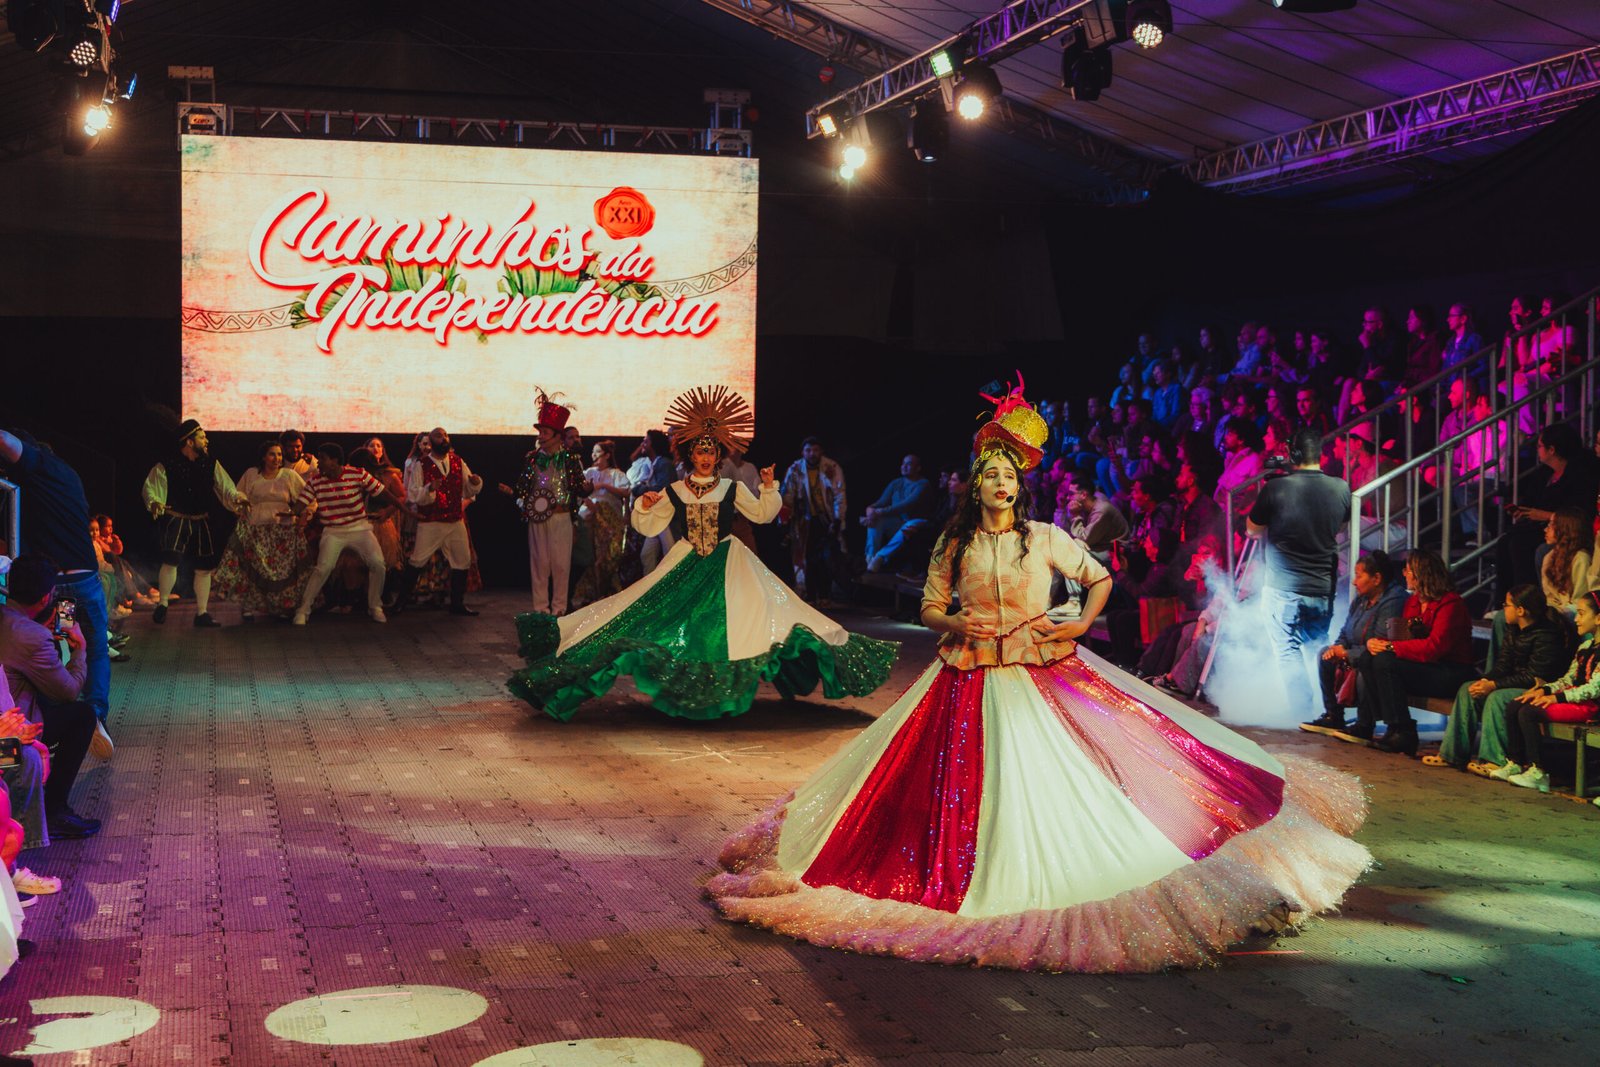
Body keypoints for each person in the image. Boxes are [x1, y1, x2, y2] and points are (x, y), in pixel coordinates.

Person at [706, 381, 1370, 972]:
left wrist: (1077, 624)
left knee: (1070, 772)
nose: (1000, 484)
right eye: (990, 475)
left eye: (1008, 476)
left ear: (1019, 484)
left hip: (1041, 665)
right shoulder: (955, 542)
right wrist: (953, 622)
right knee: (953, 788)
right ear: (976, 483)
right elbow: (931, 605)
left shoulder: (1047, 535)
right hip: (967, 672)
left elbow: (1100, 578)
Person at [508, 385, 896, 722]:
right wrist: (645, 505)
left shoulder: (730, 488)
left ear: (718, 455)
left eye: (711, 451)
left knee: (757, 621)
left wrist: (768, 488)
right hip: (686, 561)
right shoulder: (676, 490)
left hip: (729, 562)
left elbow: (762, 514)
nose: (706, 457)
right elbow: (648, 526)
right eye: (700, 451)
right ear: (691, 455)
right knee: (640, 615)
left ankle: (717, 689)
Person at [0, 428, 116, 758]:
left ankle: (52, 717)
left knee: (56, 643)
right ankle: (95, 714)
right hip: (82, 581)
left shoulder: (38, 467)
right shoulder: (68, 478)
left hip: (52, 589)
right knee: (94, 647)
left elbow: (6, 441)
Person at [1246, 428, 1352, 722]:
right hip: (1322, 588)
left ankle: (1303, 709)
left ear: (1293, 454)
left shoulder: (1276, 488)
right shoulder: (1341, 487)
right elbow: (1341, 527)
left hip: (1283, 587)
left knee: (1287, 650)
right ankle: (1330, 707)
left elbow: (1252, 530)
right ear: (1320, 454)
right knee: (1320, 647)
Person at [0, 555, 101, 842]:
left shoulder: (13, 623)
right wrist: (79, 651)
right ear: (46, 597)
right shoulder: (31, 636)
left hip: (7, 730)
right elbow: (68, 690)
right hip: (9, 746)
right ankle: (54, 811)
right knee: (82, 716)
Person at [1423, 583, 1569, 772]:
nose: (1503, 609)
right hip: (1515, 683)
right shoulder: (1513, 630)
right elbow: (1503, 665)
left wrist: (1494, 685)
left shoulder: (1547, 635)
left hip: (1537, 689)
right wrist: (1486, 681)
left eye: (1507, 605)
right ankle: (1452, 755)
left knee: (1497, 698)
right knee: (1468, 689)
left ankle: (1494, 760)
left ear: (1521, 610)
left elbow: (1533, 677)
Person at [1350, 550, 1474, 756]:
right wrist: (1378, 644)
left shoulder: (1450, 604)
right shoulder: (1414, 602)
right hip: (1426, 666)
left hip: (1451, 671)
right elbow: (1404, 640)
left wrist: (1391, 647)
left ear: (1420, 573)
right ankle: (1393, 725)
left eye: (1407, 570)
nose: (1404, 574)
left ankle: (1403, 731)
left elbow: (1434, 648)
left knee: (1385, 663)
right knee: (1368, 658)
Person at [141, 419, 248, 628]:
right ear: (189, 442)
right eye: (202, 437)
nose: (206, 441)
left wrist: (237, 498)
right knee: (171, 560)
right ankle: (163, 603)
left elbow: (226, 487)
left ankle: (202, 613)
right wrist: (154, 502)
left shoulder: (211, 463)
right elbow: (150, 487)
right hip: (177, 518)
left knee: (204, 568)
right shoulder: (168, 464)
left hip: (201, 520)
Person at [499, 394, 590, 616]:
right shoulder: (532, 458)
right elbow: (522, 488)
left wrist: (588, 489)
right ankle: (541, 610)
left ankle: (559, 610)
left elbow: (578, 488)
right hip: (538, 518)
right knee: (539, 565)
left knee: (561, 565)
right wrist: (515, 495)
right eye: (540, 433)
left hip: (561, 517)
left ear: (558, 436)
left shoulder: (569, 459)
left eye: (545, 433)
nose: (540, 437)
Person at [292, 443, 403, 626]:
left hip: (360, 529)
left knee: (378, 564)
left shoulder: (357, 474)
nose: (318, 463)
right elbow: (300, 505)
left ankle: (375, 606)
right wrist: (289, 513)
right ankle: (303, 610)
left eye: (322, 459)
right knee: (323, 568)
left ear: (334, 460)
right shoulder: (315, 481)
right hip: (333, 531)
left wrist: (405, 509)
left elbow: (385, 493)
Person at [1301, 550, 1408, 736]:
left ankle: (1364, 724)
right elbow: (1346, 631)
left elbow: (1379, 643)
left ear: (1377, 578)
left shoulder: (1394, 601)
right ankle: (1334, 715)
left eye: (1359, 576)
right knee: (1324, 654)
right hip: (1356, 652)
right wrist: (1337, 648)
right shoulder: (1362, 599)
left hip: (1379, 657)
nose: (1354, 582)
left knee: (1367, 663)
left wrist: (1347, 654)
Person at [1504, 591, 1600, 794]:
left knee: (1529, 712)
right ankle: (1515, 762)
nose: (1576, 619)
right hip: (1574, 699)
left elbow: (1594, 689)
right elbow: (1569, 679)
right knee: (1516, 704)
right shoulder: (1585, 647)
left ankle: (1538, 771)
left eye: (1582, 613)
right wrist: (1544, 690)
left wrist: (1556, 698)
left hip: (1590, 706)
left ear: (1598, 618)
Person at [211, 439, 312, 620]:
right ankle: (248, 606)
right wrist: (241, 508)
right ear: (264, 457)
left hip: (283, 531)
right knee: (252, 570)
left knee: (281, 572)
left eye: (279, 454)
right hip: (256, 529)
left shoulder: (288, 475)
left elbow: (307, 496)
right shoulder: (251, 474)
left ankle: (280, 606)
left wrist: (305, 515)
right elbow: (238, 495)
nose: (277, 458)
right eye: (272, 454)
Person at [395, 427, 483, 617]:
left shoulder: (458, 462)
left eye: (445, 435)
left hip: (454, 520)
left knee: (462, 559)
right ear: (431, 441)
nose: (443, 438)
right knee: (417, 559)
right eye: (438, 436)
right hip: (431, 521)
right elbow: (413, 494)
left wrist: (475, 483)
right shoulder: (421, 465)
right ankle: (400, 601)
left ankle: (457, 603)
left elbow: (468, 488)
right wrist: (429, 489)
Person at [781, 437, 847, 605]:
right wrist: (784, 520)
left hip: (826, 520)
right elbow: (787, 496)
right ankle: (808, 595)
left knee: (826, 558)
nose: (812, 454)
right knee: (805, 558)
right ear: (803, 452)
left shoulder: (831, 467)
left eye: (815, 450)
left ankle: (825, 595)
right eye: (808, 450)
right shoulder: (795, 469)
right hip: (804, 520)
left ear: (821, 451)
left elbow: (839, 495)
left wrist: (838, 519)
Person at [572, 439, 632, 607]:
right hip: (591, 514)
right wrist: (589, 501)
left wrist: (603, 485)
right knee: (593, 555)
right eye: (593, 452)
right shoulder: (588, 472)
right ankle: (593, 593)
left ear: (607, 455)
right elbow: (578, 492)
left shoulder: (616, 474)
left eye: (598, 452)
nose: (594, 455)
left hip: (610, 517)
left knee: (611, 554)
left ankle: (608, 591)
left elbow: (626, 492)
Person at [862, 455, 932, 573]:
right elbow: (882, 502)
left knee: (909, 524)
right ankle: (870, 557)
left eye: (908, 464)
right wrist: (870, 509)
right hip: (898, 521)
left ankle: (880, 557)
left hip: (917, 522)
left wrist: (879, 512)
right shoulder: (896, 483)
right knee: (876, 520)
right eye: (903, 463)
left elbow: (907, 504)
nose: (904, 466)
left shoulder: (923, 484)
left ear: (918, 468)